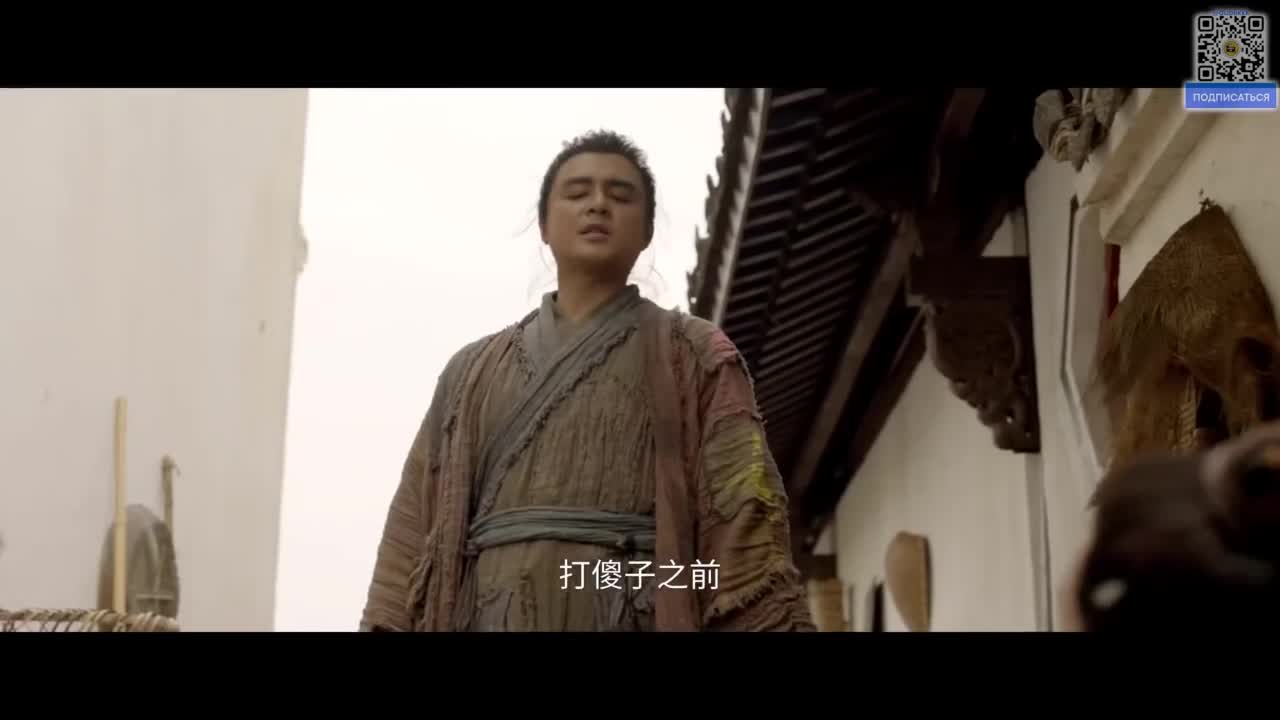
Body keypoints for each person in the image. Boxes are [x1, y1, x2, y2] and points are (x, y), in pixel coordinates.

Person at [360, 129, 815, 632]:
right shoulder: (469, 373)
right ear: (544, 225)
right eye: (578, 193)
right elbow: (410, 538)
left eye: (620, 195)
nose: (598, 204)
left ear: (646, 231)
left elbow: (743, 522)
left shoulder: (694, 353)